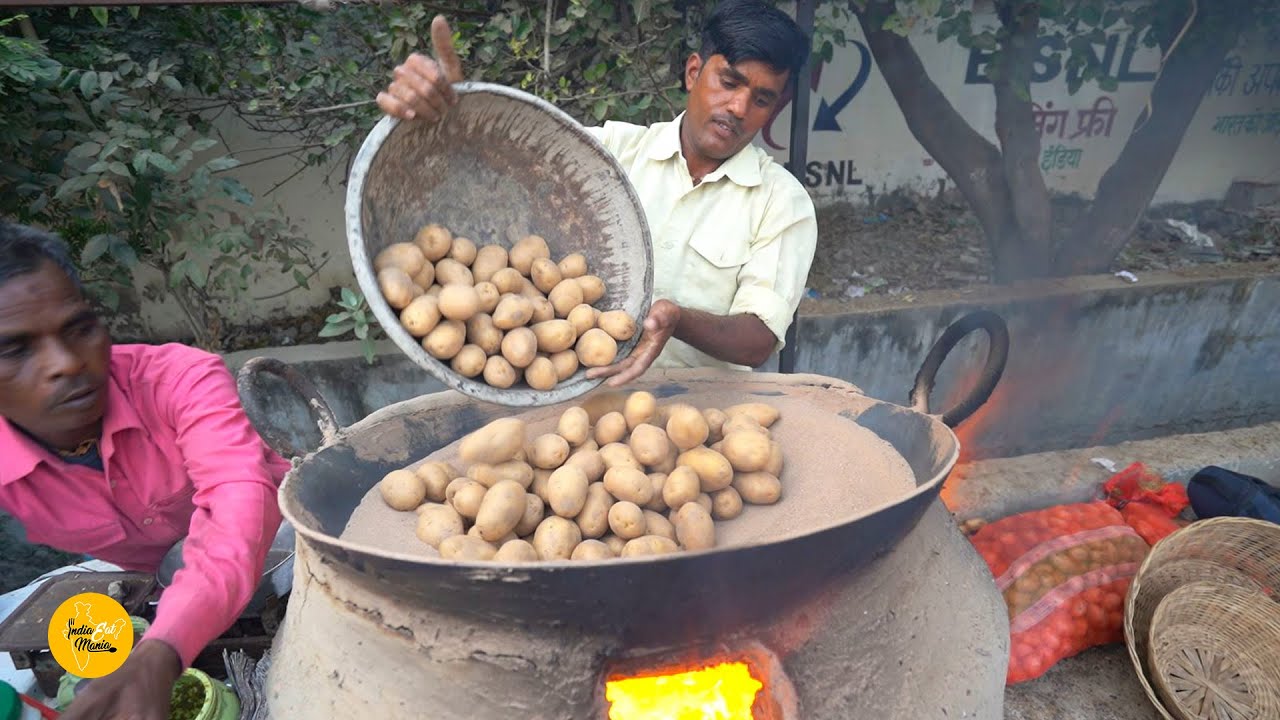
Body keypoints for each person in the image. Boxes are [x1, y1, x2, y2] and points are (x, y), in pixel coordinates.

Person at [376, 0, 817, 386]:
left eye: (761, 99)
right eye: (729, 82)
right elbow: (502, 160)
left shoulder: (781, 201)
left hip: (701, 424)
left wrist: (676, 319)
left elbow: (757, 339)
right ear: (694, 72)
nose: (738, 108)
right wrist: (453, 114)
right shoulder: (607, 154)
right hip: (574, 400)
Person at [0, 221, 290, 719]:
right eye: (14, 349)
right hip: (152, 588)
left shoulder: (180, 379)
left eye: (79, 329)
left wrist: (164, 648)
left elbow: (238, 501)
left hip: (284, 554)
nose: (65, 363)